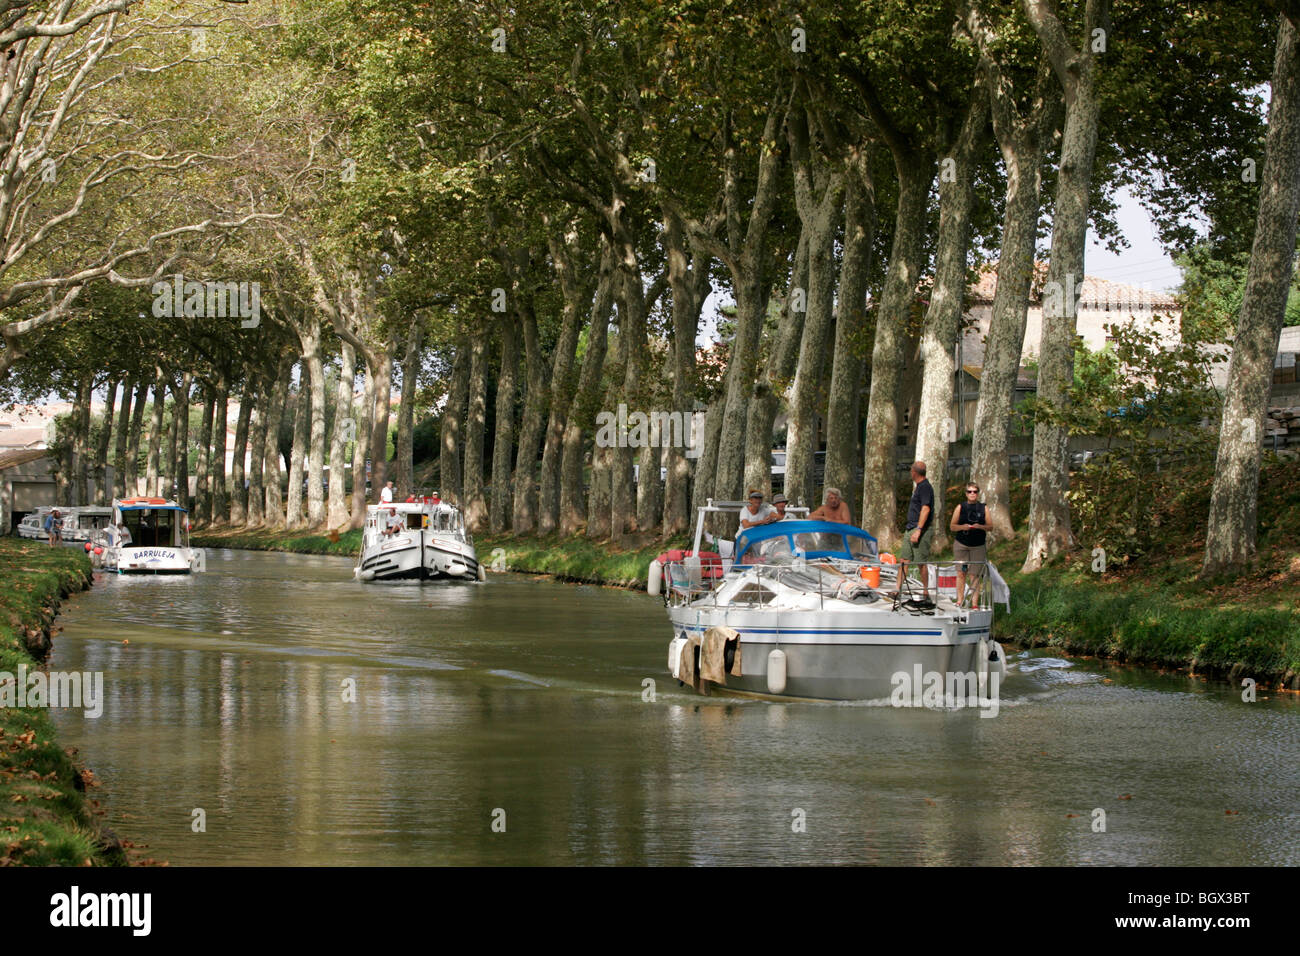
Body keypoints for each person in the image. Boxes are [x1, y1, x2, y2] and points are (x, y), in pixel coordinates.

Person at [893, 461, 934, 601]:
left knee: (920, 562)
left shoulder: (925, 487)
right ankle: (897, 589)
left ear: (914, 472)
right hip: (910, 528)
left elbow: (926, 508)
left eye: (911, 471)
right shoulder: (918, 487)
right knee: (904, 560)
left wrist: (919, 530)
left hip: (920, 530)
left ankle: (925, 592)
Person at [950, 483, 992, 608]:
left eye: (975, 491)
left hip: (978, 546)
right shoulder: (960, 507)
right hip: (961, 544)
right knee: (961, 572)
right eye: (969, 491)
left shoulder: (983, 508)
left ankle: (974, 603)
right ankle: (960, 600)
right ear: (966, 493)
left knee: (975, 575)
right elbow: (952, 526)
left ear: (978, 493)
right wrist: (963, 527)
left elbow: (991, 527)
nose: (972, 494)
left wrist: (980, 527)